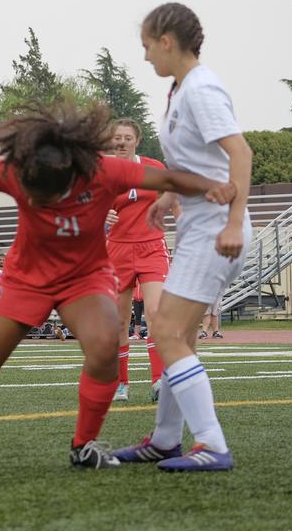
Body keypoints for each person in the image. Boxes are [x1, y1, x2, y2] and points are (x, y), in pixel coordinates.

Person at [0, 100, 236, 469]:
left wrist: (217, 186)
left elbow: (170, 179)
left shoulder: (104, 170)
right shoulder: (17, 170)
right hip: (24, 281)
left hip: (84, 279)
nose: (39, 201)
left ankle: (83, 445)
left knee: (105, 346)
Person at [114, 2, 253, 472]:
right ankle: (167, 439)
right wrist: (169, 197)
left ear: (167, 42)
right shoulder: (179, 91)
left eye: (147, 46)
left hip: (214, 233)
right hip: (198, 228)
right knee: (177, 337)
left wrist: (234, 222)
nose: (146, 56)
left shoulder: (201, 88)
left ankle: (211, 443)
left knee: (167, 332)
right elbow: (201, 165)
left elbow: (241, 153)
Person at [105, 118, 171, 403]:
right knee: (119, 321)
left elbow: (173, 194)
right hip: (117, 251)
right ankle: (122, 383)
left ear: (136, 141)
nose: (121, 142)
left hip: (151, 248)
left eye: (127, 137)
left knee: (156, 313)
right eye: (117, 137)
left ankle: (158, 381)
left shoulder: (154, 168)